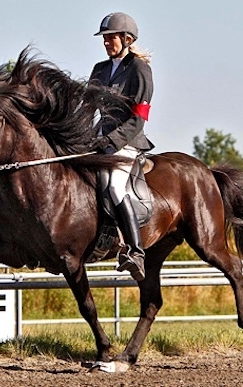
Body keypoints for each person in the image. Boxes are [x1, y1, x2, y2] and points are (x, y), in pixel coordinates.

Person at [88, 12, 154, 281]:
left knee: (115, 186)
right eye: (104, 38)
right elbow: (86, 107)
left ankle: (135, 252)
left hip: (127, 142)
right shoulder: (99, 69)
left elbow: (139, 118)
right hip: (100, 140)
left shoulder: (140, 70)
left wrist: (111, 142)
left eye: (111, 37)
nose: (106, 42)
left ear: (127, 39)